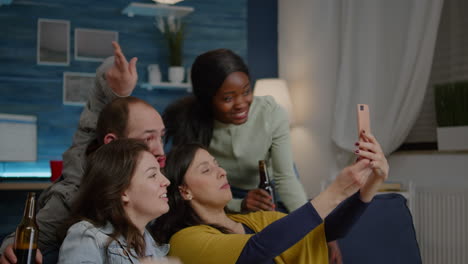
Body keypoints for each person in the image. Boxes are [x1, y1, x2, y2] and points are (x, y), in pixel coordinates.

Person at [0, 42, 163, 264]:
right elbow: (32, 237)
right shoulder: (75, 195)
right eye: (147, 138)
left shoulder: (156, 174)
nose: (159, 151)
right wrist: (11, 246)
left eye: (161, 136)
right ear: (111, 142)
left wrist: (120, 89)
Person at [152, 131, 389, 264]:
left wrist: (372, 182)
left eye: (217, 164)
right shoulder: (185, 241)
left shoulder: (254, 221)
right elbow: (255, 251)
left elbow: (326, 231)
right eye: (206, 170)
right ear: (184, 191)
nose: (221, 171)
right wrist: (336, 191)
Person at [163, 49, 306, 213]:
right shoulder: (189, 124)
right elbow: (190, 190)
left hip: (273, 184)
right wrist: (238, 204)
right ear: (207, 99)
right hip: (226, 191)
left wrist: (317, 227)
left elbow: (285, 178)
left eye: (246, 91)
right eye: (228, 98)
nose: (241, 104)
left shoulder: (271, 113)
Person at [58, 139, 179, 264]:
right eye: (153, 175)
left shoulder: (152, 246)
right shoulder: (87, 236)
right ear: (123, 192)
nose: (166, 181)